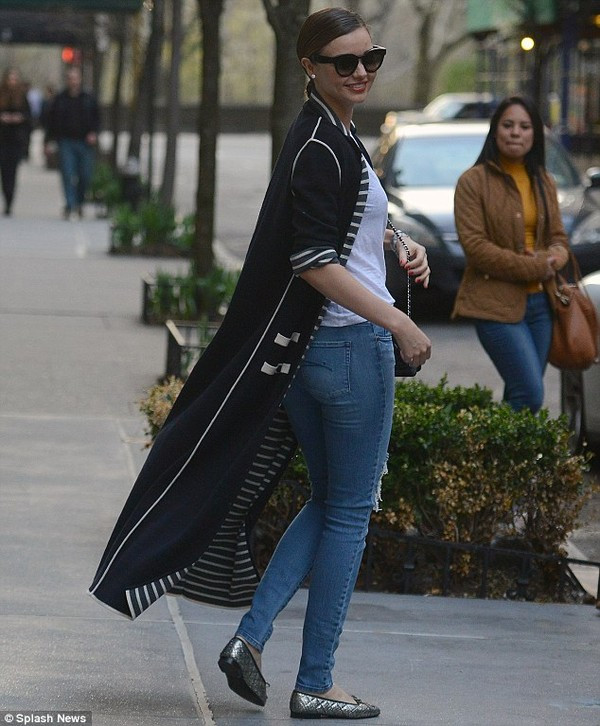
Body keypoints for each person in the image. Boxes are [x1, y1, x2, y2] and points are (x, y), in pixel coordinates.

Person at [89, 6, 431, 720]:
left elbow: (338, 230)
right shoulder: (321, 143)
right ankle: (316, 680)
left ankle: (250, 639)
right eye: (345, 62)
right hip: (348, 347)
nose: (362, 72)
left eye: (370, 58)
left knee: (330, 501)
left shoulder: (330, 134)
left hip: (311, 351)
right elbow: (312, 261)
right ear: (309, 66)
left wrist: (395, 241)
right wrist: (396, 319)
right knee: (351, 513)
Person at [452, 95, 569, 413]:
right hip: (494, 306)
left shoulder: (544, 181)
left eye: (524, 126)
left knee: (522, 396)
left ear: (535, 135)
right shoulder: (472, 182)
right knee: (529, 393)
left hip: (542, 305)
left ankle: (501, 447)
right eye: (508, 125)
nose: (516, 132)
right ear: (495, 130)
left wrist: (556, 257)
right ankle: (495, 445)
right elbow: (476, 249)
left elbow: (558, 238)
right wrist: (537, 266)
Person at [44, 67, 99, 219]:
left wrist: (94, 133)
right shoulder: (60, 99)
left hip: (85, 142)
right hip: (66, 141)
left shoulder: (88, 98)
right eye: (70, 78)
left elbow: (97, 118)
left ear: (80, 79)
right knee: (67, 174)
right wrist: (48, 141)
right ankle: (70, 204)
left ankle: (79, 202)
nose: (73, 81)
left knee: (85, 175)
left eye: (75, 78)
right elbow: (51, 121)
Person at [0, 68, 31, 216]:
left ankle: (9, 200)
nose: (12, 82)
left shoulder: (22, 97)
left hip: (16, 140)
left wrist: (20, 118)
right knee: (4, 172)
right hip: (2, 138)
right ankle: (6, 194)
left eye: (14, 79)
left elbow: (29, 117)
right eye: (10, 79)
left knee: (12, 171)